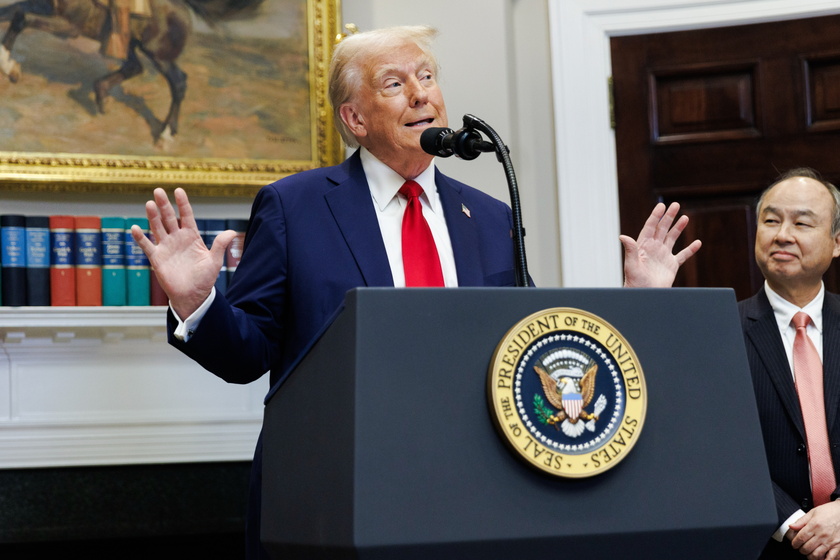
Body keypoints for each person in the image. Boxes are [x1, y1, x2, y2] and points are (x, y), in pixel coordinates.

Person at [131, 25, 701, 559]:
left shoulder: (490, 216)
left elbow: (529, 347)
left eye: (427, 78)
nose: (421, 95)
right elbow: (248, 355)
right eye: (395, 83)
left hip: (480, 489)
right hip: (340, 491)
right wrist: (197, 304)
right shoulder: (295, 207)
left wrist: (639, 304)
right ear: (354, 117)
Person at [739, 167, 840, 560]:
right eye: (770, 220)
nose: (783, 234)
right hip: (766, 547)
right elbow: (718, 449)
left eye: (801, 222)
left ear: (836, 242)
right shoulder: (723, 332)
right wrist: (797, 526)